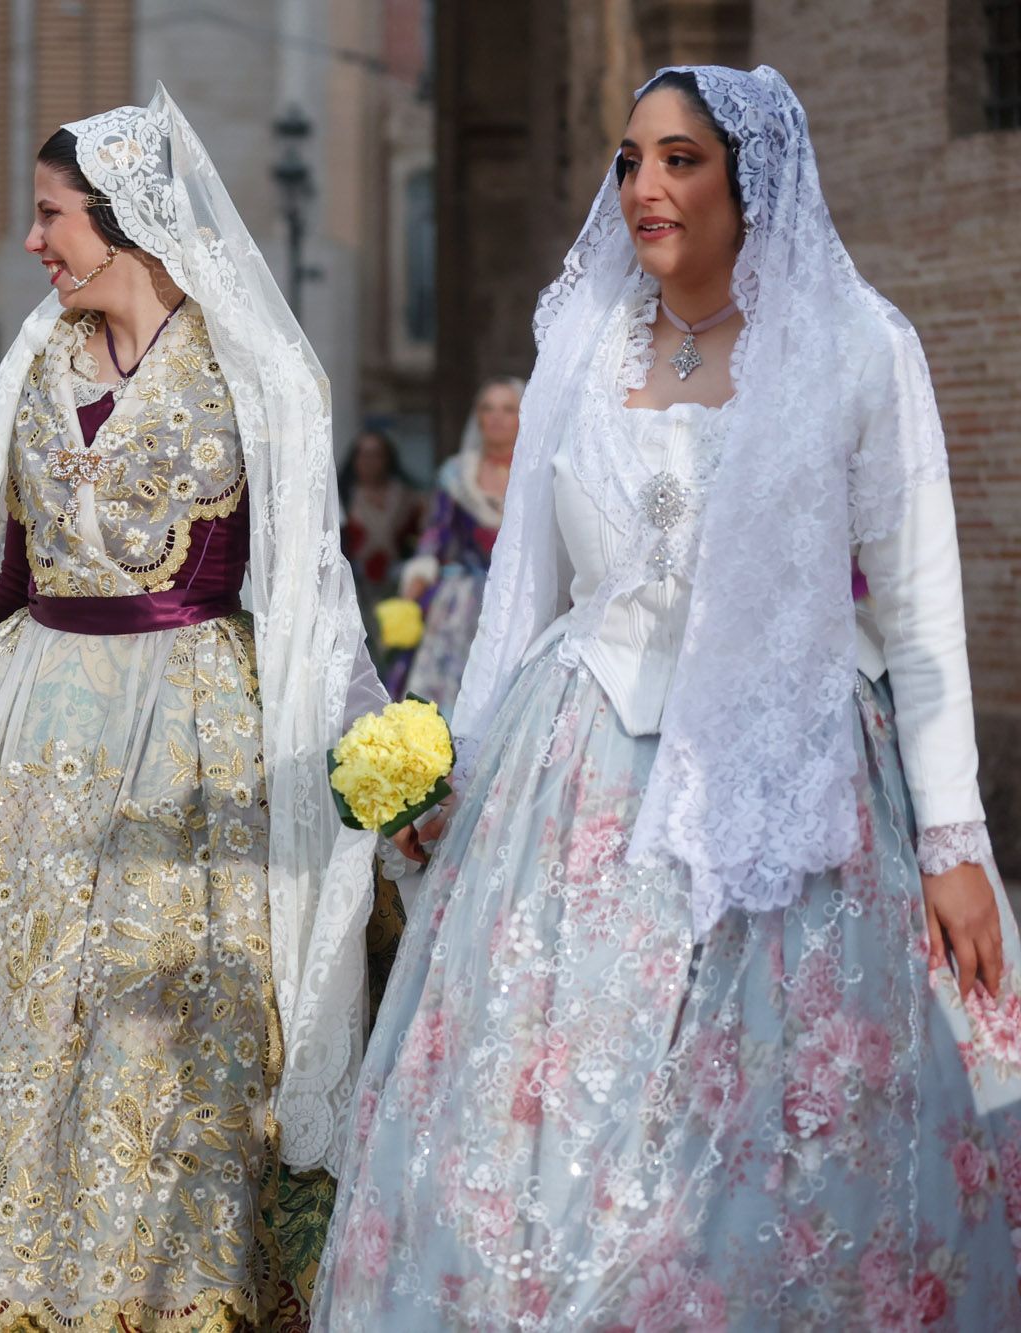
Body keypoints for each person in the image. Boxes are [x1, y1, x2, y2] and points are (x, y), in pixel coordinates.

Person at [314, 65, 1021, 1329]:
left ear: (753, 181)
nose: (643, 186)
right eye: (630, 158)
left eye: (679, 159)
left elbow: (917, 615)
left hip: (792, 783)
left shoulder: (859, 348)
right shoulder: (578, 345)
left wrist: (954, 838)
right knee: (550, 1113)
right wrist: (454, 775)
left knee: (780, 1126)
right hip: (576, 778)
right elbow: (521, 589)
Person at [0, 86, 388, 1331]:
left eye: (50, 216)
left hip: (186, 739)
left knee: (145, 1034)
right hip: (17, 728)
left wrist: (364, 750)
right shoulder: (35, 361)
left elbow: (312, 589)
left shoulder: (257, 374)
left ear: (125, 222)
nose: (33, 242)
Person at [393, 376, 521, 710]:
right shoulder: (456, 474)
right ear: (477, 416)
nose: (497, 417)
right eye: (488, 408)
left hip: (517, 598)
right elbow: (435, 534)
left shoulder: (534, 473)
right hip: (462, 600)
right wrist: (418, 577)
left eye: (508, 409)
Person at [337, 428, 424, 627]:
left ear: (387, 459)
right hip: (355, 590)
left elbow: (420, 540)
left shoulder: (407, 498)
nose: (369, 461)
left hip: (399, 586)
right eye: (363, 454)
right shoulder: (342, 498)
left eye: (376, 454)